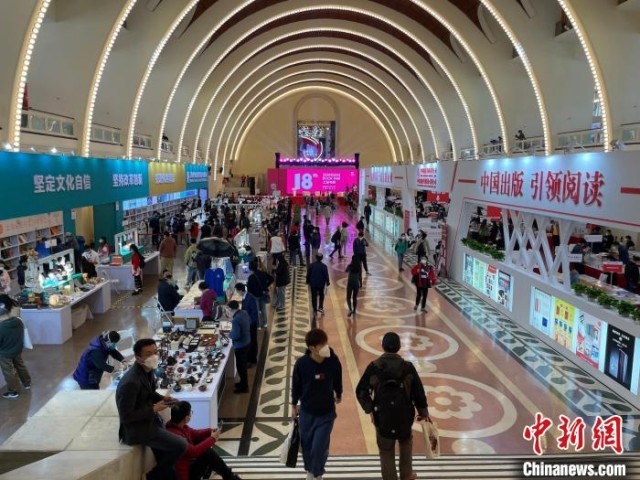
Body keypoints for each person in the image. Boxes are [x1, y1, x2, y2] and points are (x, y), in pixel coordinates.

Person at [355, 332, 429, 480]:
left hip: (383, 417)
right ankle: (406, 475)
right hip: (404, 417)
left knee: (386, 450)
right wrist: (423, 413)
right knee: (406, 444)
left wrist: (370, 408)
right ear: (399, 347)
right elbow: (419, 393)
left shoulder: (374, 367)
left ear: (382, 346)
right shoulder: (408, 368)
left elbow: (361, 391)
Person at [115, 338, 187, 480]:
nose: (154, 356)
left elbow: (149, 393)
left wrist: (164, 399)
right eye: (148, 354)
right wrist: (154, 409)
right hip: (137, 429)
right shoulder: (130, 382)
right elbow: (126, 416)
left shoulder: (148, 370)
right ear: (138, 358)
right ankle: (153, 476)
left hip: (151, 421)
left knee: (167, 462)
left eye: (155, 352)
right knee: (181, 445)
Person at [291, 328, 343, 480]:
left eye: (326, 343)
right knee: (307, 446)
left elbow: (338, 378)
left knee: (319, 447)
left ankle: (317, 473)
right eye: (322, 345)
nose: (326, 347)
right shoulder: (302, 364)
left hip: (326, 413)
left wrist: (339, 393)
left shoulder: (333, 361)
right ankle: (310, 471)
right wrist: (293, 405)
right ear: (312, 348)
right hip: (307, 413)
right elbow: (296, 385)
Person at [166, 401, 240, 480]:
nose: (191, 414)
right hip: (184, 475)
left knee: (205, 449)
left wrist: (210, 431)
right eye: (191, 412)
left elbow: (195, 433)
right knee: (208, 453)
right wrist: (213, 438)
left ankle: (227, 475)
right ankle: (229, 476)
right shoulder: (176, 436)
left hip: (188, 464)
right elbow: (194, 451)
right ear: (186, 418)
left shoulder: (178, 426)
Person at [0, 295, 31, 399]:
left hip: (4, 353)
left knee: (8, 371)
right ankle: (27, 383)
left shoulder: (1, 326)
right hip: (17, 349)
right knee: (20, 365)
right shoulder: (18, 321)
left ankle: (12, 391)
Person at [227, 300, 251, 393]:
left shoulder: (236, 320)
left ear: (230, 309)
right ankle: (242, 383)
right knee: (242, 365)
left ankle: (244, 387)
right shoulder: (244, 312)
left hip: (240, 345)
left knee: (241, 367)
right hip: (247, 341)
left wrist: (229, 335)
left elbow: (236, 335)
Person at [235, 283, 259, 366]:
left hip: (251, 325)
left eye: (237, 291)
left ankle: (251, 360)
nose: (237, 293)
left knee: (251, 343)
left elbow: (253, 313)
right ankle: (251, 359)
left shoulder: (250, 298)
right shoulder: (245, 297)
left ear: (240, 290)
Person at [247, 260, 274, 329]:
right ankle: (265, 323)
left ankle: (258, 325)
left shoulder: (250, 277)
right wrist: (266, 286)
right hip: (262, 294)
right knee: (263, 309)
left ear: (250, 268)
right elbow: (272, 279)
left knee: (256, 311)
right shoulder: (263, 273)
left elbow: (249, 289)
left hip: (255, 296)